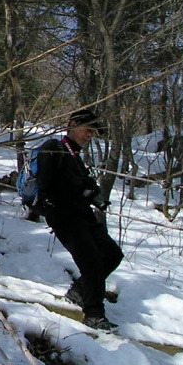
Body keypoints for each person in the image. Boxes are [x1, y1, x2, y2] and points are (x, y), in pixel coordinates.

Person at [35, 109, 123, 331]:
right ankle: (93, 314)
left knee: (112, 254)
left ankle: (79, 291)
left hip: (83, 215)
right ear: (73, 124)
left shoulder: (75, 156)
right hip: (65, 216)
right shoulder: (53, 148)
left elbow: (83, 184)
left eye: (93, 132)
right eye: (88, 130)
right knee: (91, 261)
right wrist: (74, 193)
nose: (90, 136)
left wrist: (93, 194)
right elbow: (47, 185)